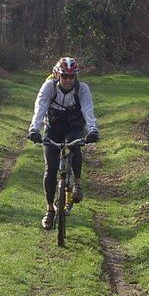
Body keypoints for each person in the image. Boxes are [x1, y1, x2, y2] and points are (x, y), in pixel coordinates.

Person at [27, 57, 99, 229]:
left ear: (75, 77)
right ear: (57, 75)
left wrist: (92, 130)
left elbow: (87, 108)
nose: (68, 80)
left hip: (74, 127)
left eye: (71, 77)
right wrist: (34, 129)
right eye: (64, 76)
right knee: (51, 169)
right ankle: (49, 209)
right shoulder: (49, 87)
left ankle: (77, 184)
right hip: (53, 128)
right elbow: (40, 107)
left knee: (73, 145)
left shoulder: (82, 89)